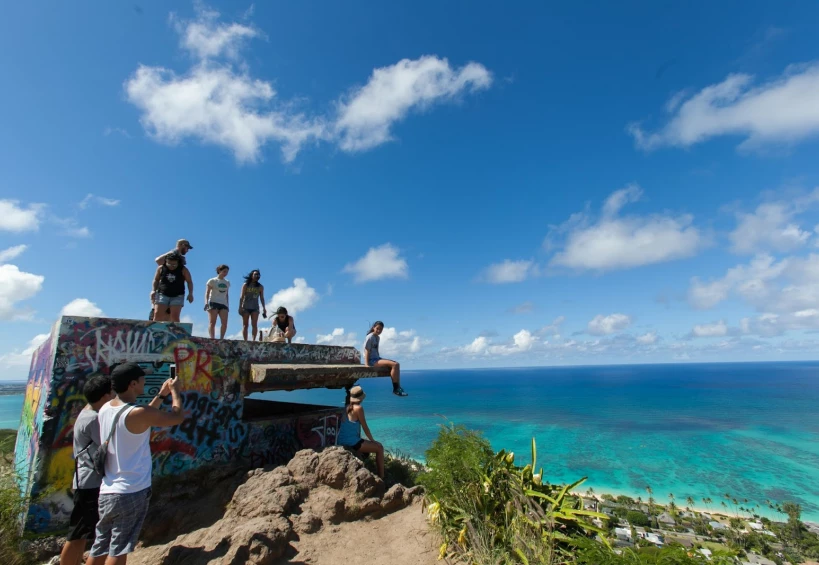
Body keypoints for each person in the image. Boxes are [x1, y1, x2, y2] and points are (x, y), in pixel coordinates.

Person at [86, 363, 184, 565]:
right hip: (131, 490)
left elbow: (143, 415)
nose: (144, 382)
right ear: (132, 384)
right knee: (119, 549)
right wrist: (175, 392)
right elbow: (177, 417)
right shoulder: (137, 413)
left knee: (100, 547)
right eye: (141, 379)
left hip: (108, 490)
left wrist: (161, 394)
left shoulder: (106, 409)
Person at [59, 375, 114, 565]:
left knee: (80, 532)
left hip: (84, 480)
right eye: (112, 393)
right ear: (105, 396)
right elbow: (110, 446)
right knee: (80, 533)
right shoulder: (95, 420)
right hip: (91, 483)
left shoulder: (86, 412)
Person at [336, 386, 384, 479]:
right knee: (380, 448)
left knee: (367, 448)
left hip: (342, 440)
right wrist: (373, 441)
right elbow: (365, 427)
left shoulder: (347, 407)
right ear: (361, 398)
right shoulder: (358, 408)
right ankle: (382, 477)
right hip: (352, 442)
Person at [363, 321, 407, 397]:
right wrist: (367, 364)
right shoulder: (370, 337)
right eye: (377, 329)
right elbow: (367, 350)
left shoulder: (377, 337)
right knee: (395, 364)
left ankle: (398, 387)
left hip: (376, 358)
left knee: (397, 364)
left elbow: (376, 350)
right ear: (374, 327)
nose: (379, 331)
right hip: (372, 360)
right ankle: (396, 389)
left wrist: (380, 359)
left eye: (381, 329)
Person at [150, 252, 193, 322]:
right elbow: (156, 280)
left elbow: (189, 281)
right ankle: (156, 330)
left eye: (174, 264)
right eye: (169, 264)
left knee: (175, 316)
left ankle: (174, 331)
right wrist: (153, 290)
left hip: (178, 295)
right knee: (157, 314)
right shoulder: (161, 268)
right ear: (166, 261)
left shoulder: (183, 269)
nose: (171, 266)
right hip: (162, 293)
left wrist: (190, 293)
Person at [239, 270, 266, 341]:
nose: (257, 276)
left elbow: (262, 298)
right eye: (255, 274)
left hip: (255, 307)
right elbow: (241, 296)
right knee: (245, 325)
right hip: (246, 306)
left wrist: (264, 308)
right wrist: (240, 307)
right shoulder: (246, 285)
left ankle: (253, 340)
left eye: (258, 275)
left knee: (254, 324)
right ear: (252, 275)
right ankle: (245, 340)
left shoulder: (260, 287)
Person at [205, 265, 230, 339]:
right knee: (212, 322)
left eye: (227, 272)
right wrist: (206, 302)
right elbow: (207, 292)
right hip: (213, 302)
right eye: (224, 271)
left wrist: (228, 305)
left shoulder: (227, 282)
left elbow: (227, 294)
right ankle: (212, 338)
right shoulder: (212, 280)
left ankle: (222, 338)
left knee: (224, 323)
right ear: (219, 271)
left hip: (223, 303)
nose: (225, 273)